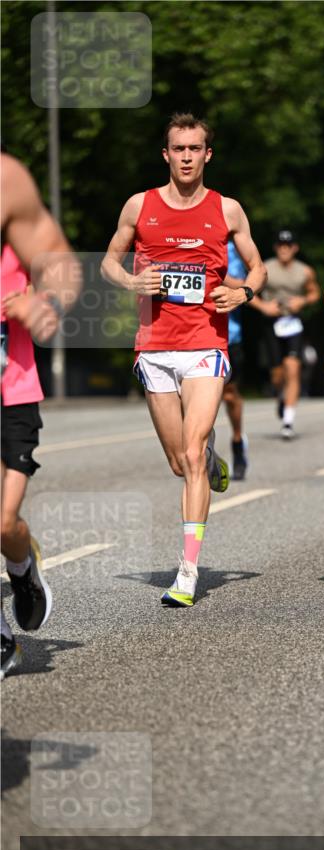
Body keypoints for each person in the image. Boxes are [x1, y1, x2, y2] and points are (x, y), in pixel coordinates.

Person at [101, 112, 266, 608]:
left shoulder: (228, 210)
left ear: (207, 155)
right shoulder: (140, 205)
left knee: (191, 454)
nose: (188, 156)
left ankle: (188, 571)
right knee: (180, 461)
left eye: (196, 148)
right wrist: (131, 281)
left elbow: (255, 266)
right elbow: (109, 259)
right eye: (179, 149)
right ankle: (210, 457)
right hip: (154, 346)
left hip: (205, 345)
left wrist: (245, 293)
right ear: (167, 154)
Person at [1, 151, 81, 678]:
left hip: (9, 386)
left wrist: (46, 299)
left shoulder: (5, 180)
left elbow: (57, 258)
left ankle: (22, 566)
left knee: (2, 521)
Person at [250, 230, 320, 439]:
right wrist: (263, 306)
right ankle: (280, 396)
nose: (284, 249)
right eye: (280, 245)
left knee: (293, 367)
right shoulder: (265, 268)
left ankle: (288, 422)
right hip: (271, 322)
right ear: (275, 247)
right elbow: (246, 291)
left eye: (288, 245)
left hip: (293, 323)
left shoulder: (305, 271)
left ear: (295, 248)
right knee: (278, 374)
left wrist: (303, 301)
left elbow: (315, 292)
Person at [224, 240, 249, 479]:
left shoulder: (231, 248)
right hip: (187, 334)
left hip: (228, 334)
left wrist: (206, 269)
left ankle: (238, 440)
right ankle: (199, 452)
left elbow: (239, 285)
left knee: (229, 395)